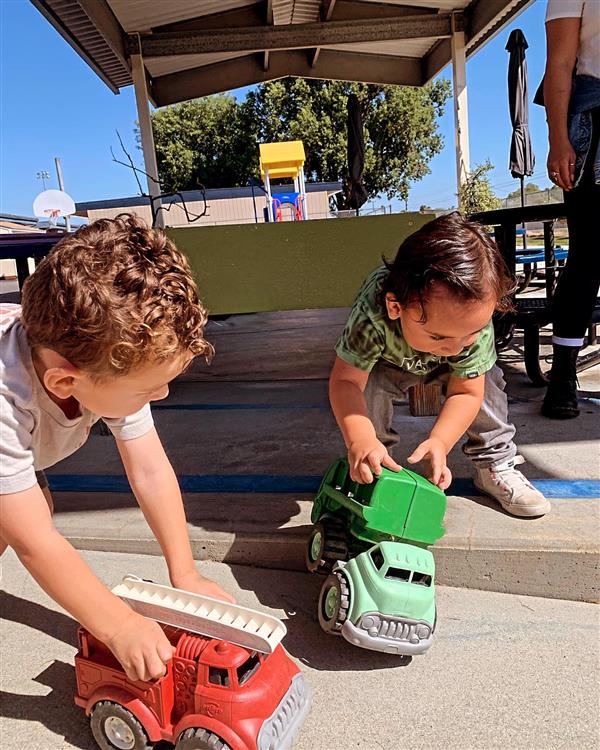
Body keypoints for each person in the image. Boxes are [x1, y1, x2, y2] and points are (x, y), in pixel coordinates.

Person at [0, 215, 234, 683]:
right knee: (22, 521)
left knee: (30, 506)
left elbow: (148, 469)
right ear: (66, 381)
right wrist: (118, 624)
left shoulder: (105, 360)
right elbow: (36, 542)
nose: (161, 396)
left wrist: (183, 572)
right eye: (148, 390)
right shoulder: (7, 402)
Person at [329, 212, 551, 517]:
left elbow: (467, 393)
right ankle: (375, 465)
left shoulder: (471, 323)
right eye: (439, 336)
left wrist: (440, 441)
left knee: (485, 383)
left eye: (471, 333)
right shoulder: (374, 311)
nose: (455, 347)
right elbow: (346, 382)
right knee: (369, 388)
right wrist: (361, 438)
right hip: (388, 361)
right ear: (396, 308)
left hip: (453, 374)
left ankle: (493, 463)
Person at [542, 0, 600, 419]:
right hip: (595, 114)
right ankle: (562, 374)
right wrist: (557, 138)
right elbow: (559, 64)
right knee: (589, 255)